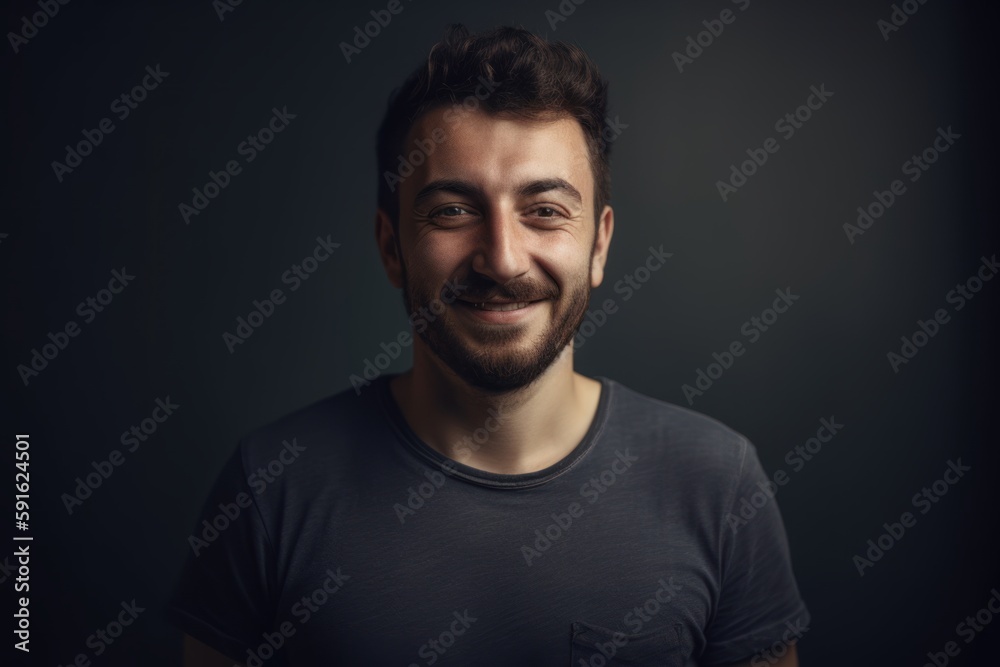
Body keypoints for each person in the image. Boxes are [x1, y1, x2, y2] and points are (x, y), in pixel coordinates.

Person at [168, 23, 809, 666]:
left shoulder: (720, 484)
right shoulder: (271, 489)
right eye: (452, 210)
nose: (502, 260)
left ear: (600, 245)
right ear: (392, 247)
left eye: (546, 210)